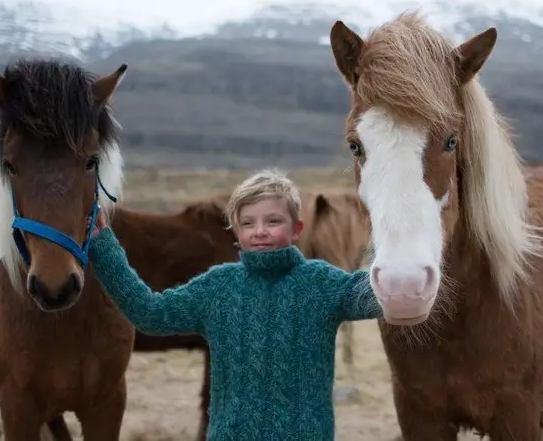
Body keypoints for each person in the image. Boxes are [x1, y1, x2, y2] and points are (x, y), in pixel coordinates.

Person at [87, 168, 383, 441]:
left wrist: (412, 253)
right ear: (236, 232)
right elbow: (150, 313)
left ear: (297, 228)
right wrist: (104, 247)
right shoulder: (218, 286)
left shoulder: (322, 283)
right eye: (248, 223)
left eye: (273, 221)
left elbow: (385, 295)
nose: (260, 231)